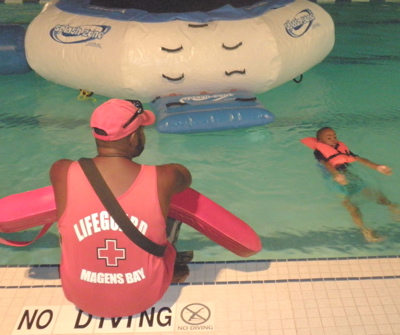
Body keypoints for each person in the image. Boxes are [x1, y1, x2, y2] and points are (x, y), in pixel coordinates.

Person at [50, 99, 192, 318]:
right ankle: (168, 271)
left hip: (80, 296)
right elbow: (186, 179)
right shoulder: (165, 177)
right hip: (145, 295)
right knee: (169, 208)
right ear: (135, 138)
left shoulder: (61, 171)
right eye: (142, 132)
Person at [301, 127, 399, 243]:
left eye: (334, 136)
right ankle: (365, 231)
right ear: (321, 141)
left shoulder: (340, 148)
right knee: (352, 208)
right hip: (333, 179)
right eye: (329, 137)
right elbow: (327, 164)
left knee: (375, 194)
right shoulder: (318, 151)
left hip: (348, 174)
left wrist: (377, 167)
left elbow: (359, 159)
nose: (333, 139)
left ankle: (392, 208)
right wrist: (336, 175)